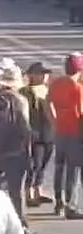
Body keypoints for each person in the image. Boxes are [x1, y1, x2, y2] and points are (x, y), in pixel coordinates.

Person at [0, 61, 32, 232]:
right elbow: (25, 127)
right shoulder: (19, 100)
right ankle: (20, 225)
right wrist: (28, 150)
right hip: (15, 151)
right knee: (16, 191)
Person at [48, 53, 83, 219]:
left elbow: (48, 102)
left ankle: (58, 202)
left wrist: (54, 121)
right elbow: (81, 112)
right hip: (75, 133)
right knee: (72, 170)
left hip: (60, 131)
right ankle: (70, 204)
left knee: (59, 167)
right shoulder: (78, 88)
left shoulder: (56, 83)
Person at [20, 62, 54, 208]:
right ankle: (28, 193)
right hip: (35, 132)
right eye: (41, 73)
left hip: (48, 131)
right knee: (34, 164)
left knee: (44, 163)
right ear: (32, 75)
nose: (45, 76)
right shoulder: (26, 91)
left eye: (46, 73)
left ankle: (38, 190)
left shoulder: (46, 89)